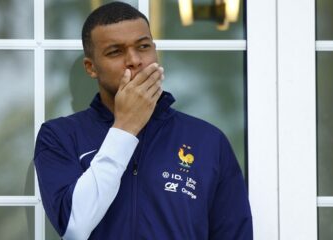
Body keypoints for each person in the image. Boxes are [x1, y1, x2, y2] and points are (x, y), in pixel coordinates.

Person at [34, 2, 253, 240]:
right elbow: (74, 227)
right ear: (91, 67)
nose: (134, 60)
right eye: (115, 51)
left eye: (143, 46)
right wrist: (125, 127)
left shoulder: (207, 140)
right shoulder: (59, 136)